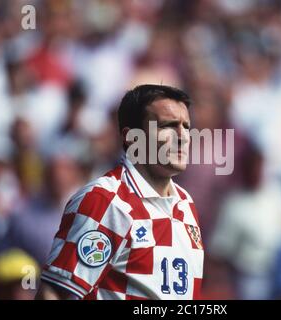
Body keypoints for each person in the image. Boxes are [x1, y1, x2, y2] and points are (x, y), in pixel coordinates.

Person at [35, 84, 204, 300]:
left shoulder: (186, 204)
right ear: (132, 138)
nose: (182, 137)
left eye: (186, 127)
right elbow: (54, 293)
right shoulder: (105, 200)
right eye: (168, 126)